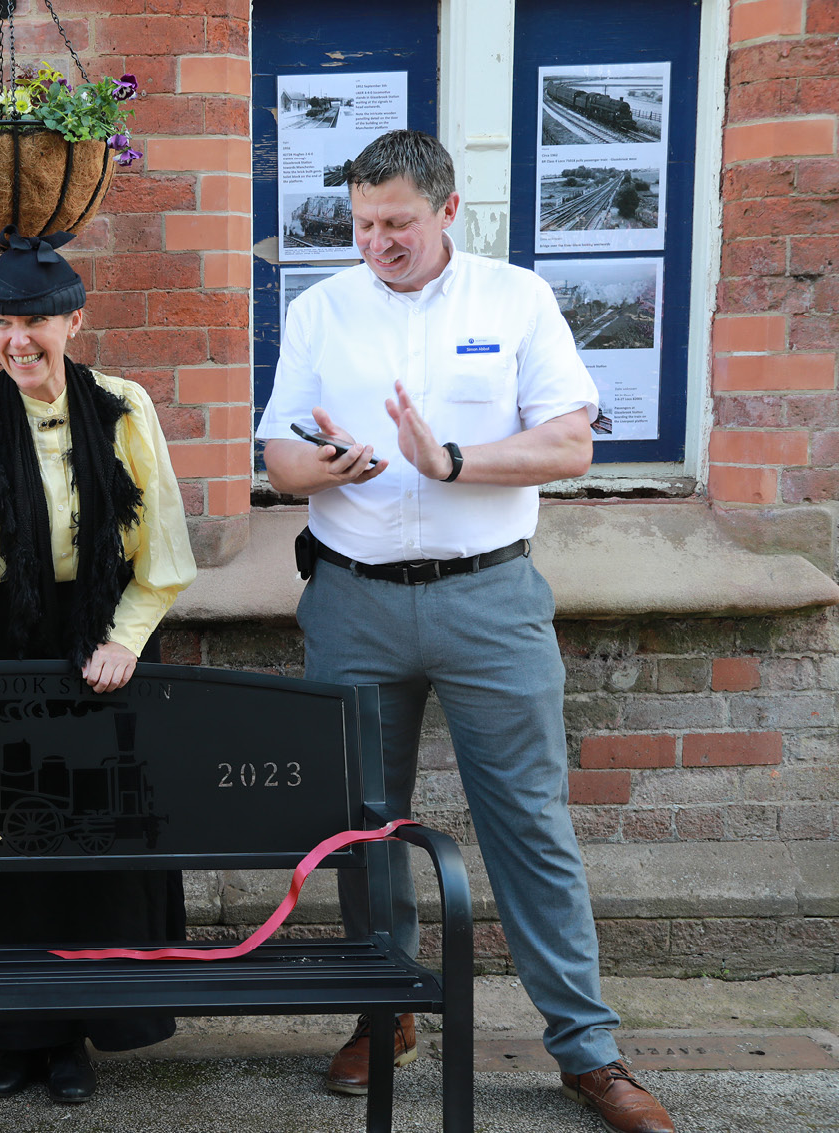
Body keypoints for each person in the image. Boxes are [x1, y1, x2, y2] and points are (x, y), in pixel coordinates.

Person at [258, 130, 673, 1133]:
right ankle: (386, 1011)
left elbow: (570, 442)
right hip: (353, 599)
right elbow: (279, 459)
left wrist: (448, 460)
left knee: (530, 822)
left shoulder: (516, 298)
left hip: (490, 600)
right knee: (362, 823)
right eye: (363, 224)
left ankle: (588, 1049)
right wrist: (334, 466)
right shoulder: (320, 309)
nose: (378, 242)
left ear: (449, 210)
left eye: (397, 222)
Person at [0, 229, 198, 1103]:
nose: (16, 338)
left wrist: (126, 639)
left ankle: (80, 1036)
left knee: (100, 845)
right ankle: (20, 1033)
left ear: (73, 320)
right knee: (18, 843)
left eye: (33, 319)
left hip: (106, 639)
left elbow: (165, 552)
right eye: (0, 321)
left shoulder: (124, 407)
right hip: (15, 638)